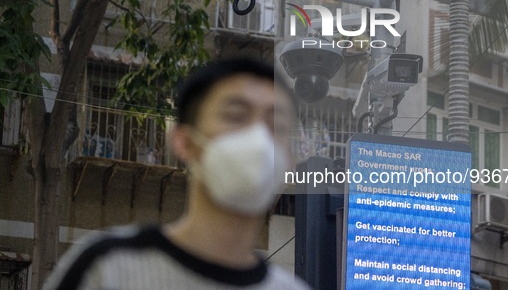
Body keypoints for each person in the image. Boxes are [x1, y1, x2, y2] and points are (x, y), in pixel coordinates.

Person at [43, 57, 309, 290]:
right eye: (236, 116)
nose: (259, 140)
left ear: (290, 159)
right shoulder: (105, 268)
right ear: (184, 141)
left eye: (277, 125)